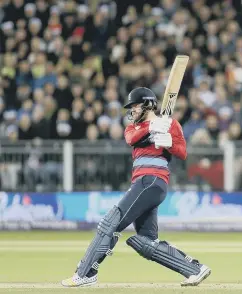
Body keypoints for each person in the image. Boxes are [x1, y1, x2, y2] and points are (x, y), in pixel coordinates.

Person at [61, 87, 211, 287]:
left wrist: (168, 143)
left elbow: (182, 152)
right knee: (145, 241)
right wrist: (152, 127)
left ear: (147, 105)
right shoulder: (133, 128)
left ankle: (85, 273)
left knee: (110, 222)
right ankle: (195, 269)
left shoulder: (170, 124)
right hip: (144, 184)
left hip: (152, 181)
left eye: (135, 106)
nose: (132, 110)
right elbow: (131, 139)